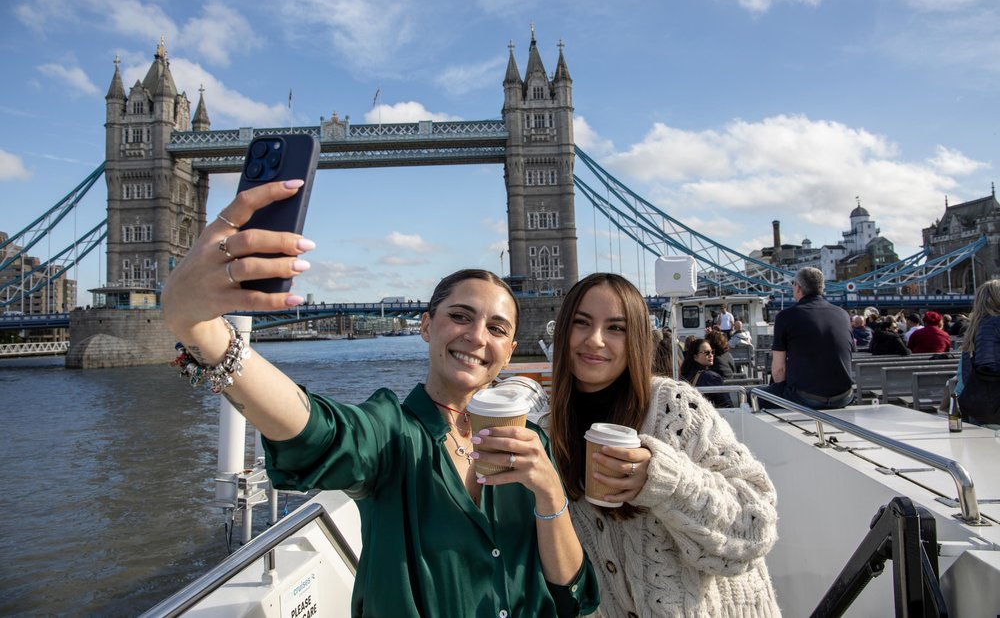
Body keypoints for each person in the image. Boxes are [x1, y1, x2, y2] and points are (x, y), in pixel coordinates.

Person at [161, 182, 598, 617]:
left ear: (508, 350)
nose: (477, 336)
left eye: (497, 329)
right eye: (459, 316)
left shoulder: (530, 444)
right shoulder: (391, 433)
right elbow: (318, 433)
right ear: (426, 326)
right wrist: (203, 331)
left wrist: (548, 491)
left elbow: (574, 595)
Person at [542, 273, 780, 617]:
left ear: (637, 338)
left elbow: (756, 528)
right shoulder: (546, 433)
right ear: (563, 332)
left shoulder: (674, 406)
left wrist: (664, 480)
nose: (594, 340)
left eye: (616, 328)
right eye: (581, 323)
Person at [762, 267, 855, 409]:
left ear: (798, 288)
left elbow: (779, 370)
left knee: (751, 396)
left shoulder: (786, 316)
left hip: (805, 398)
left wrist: (781, 398)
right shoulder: (843, 314)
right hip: (844, 397)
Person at [953, 279, 1000, 425]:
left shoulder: (977, 324)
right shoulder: (994, 323)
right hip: (995, 400)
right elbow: (988, 365)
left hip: (979, 400)